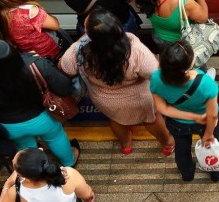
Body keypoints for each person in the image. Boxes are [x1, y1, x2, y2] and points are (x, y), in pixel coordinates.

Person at [58, 9, 174, 156]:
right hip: (139, 99)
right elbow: (154, 74)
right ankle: (167, 143)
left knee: (116, 120)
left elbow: (65, 68)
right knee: (151, 120)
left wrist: (81, 41)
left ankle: (126, 144)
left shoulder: (79, 50)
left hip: (104, 99)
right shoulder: (134, 48)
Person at [0, 39, 79, 167]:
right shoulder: (36, 65)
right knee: (56, 137)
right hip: (43, 118)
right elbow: (64, 87)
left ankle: (35, 168)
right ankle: (69, 161)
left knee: (25, 145)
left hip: (9, 125)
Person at [149, 41, 219, 182]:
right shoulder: (206, 83)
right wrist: (208, 134)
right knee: (212, 147)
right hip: (205, 123)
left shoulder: (156, 78)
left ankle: (187, 175)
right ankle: (215, 174)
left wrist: (192, 117)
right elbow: (212, 115)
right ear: (189, 65)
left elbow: (162, 108)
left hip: (177, 124)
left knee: (182, 150)